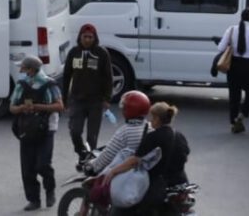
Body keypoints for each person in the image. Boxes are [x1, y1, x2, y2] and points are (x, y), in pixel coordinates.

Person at [101, 102, 189, 213]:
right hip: (180, 181)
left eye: (151, 117)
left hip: (158, 186)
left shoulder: (154, 136)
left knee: (123, 209)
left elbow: (133, 161)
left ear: (157, 118)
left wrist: (113, 171)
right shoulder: (179, 135)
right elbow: (185, 156)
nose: (150, 121)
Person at [9, 56, 64, 212]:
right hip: (26, 129)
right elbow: (12, 107)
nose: (21, 71)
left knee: (43, 164)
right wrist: (22, 109)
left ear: (32, 69)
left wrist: (38, 107)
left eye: (24, 68)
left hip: (47, 129)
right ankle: (34, 200)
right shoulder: (22, 85)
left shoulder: (49, 85)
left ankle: (50, 189)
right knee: (27, 168)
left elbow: (60, 106)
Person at [61, 23, 113, 162]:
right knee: (75, 131)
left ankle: (89, 160)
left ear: (95, 38)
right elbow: (66, 76)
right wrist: (64, 99)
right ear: (80, 37)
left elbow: (108, 77)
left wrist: (107, 98)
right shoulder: (73, 52)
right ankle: (82, 153)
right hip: (77, 100)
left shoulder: (101, 53)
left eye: (90, 37)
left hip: (96, 101)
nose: (88, 40)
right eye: (85, 37)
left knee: (92, 136)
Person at [83, 90, 150, 177]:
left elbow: (108, 155)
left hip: (124, 172)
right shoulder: (150, 127)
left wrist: (92, 166)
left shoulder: (125, 131)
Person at [217, 8, 249, 133]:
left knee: (234, 95)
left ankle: (233, 122)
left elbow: (220, 47)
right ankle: (241, 116)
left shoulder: (231, 29)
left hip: (234, 65)